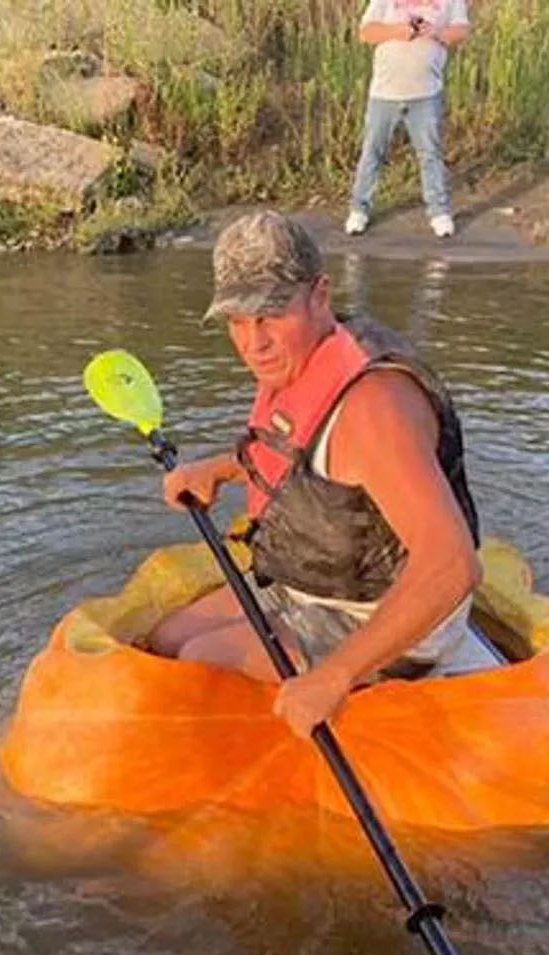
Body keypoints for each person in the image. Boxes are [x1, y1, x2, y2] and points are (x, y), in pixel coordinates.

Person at [145, 209, 505, 739]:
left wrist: (335, 675)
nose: (254, 343)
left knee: (200, 657)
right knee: (169, 637)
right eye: (237, 321)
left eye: (270, 315)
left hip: (384, 617)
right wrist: (219, 470)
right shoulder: (303, 356)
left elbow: (453, 566)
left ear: (320, 295)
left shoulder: (373, 407)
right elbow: (293, 447)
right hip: (314, 583)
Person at [345, 0, 472, 239]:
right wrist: (398, 31)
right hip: (384, 92)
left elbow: (461, 31)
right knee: (373, 151)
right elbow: (366, 32)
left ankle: (439, 212)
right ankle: (359, 209)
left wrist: (436, 32)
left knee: (430, 153)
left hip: (426, 93)